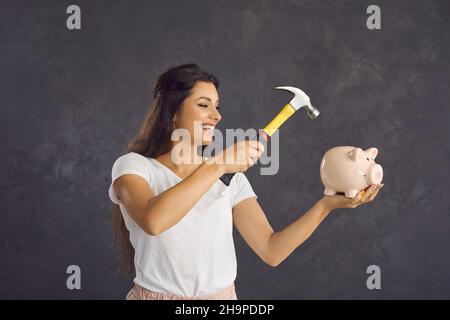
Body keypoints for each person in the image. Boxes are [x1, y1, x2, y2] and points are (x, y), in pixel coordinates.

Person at [108, 63, 383, 300]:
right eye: (203, 105)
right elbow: (154, 221)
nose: (216, 116)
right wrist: (218, 165)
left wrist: (326, 206)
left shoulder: (230, 179)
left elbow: (271, 250)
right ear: (174, 112)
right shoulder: (134, 167)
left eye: (217, 107)